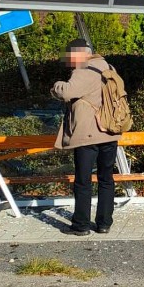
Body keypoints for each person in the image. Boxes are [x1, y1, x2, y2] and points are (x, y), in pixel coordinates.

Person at [51, 39, 120, 236]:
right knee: (106, 178)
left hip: (88, 135)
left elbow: (67, 92)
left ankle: (81, 225)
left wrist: (56, 85)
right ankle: (104, 223)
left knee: (83, 180)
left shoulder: (84, 69)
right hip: (109, 132)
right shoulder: (109, 67)